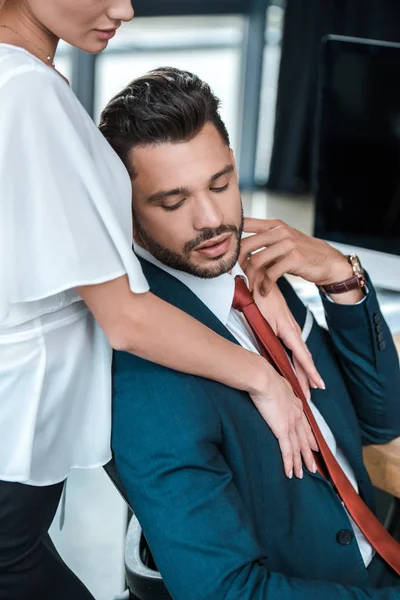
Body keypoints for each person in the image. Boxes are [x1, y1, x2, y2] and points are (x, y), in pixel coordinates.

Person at [0, 2, 323, 599]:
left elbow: (65, 241)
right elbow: (124, 317)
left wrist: (240, 282)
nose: (124, 6)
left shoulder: (24, 80)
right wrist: (264, 376)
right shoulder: (24, 91)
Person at [103, 67, 400, 599]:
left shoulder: (255, 278)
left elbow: (383, 418)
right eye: (173, 203)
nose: (213, 220)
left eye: (221, 184)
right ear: (123, 211)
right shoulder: (150, 381)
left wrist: (340, 277)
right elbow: (226, 592)